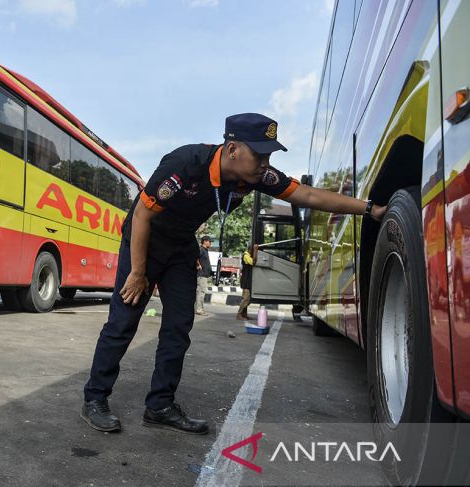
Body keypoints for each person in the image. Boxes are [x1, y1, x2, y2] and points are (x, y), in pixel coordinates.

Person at [81, 113, 386, 434]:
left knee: (178, 327)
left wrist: (368, 208)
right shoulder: (186, 163)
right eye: (260, 154)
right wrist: (138, 271)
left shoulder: (255, 176)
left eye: (269, 156)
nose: (265, 163)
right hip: (144, 241)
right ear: (232, 149)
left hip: (181, 245)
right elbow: (142, 214)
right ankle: (95, 398)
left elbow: (307, 195)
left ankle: (160, 406)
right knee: (123, 321)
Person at [195, 236, 212, 316]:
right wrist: (198, 265)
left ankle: (199, 309)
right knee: (201, 292)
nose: (210, 243)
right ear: (205, 241)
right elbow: (195, 257)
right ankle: (199, 310)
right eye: (209, 241)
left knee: (201, 292)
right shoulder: (201, 249)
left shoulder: (205, 250)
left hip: (204, 274)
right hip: (201, 274)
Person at [237, 248, 254, 319]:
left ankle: (244, 314)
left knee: (248, 299)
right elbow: (253, 262)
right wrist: (255, 252)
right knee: (246, 298)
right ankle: (239, 314)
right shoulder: (246, 256)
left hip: (248, 280)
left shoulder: (248, 255)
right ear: (250, 250)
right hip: (245, 280)